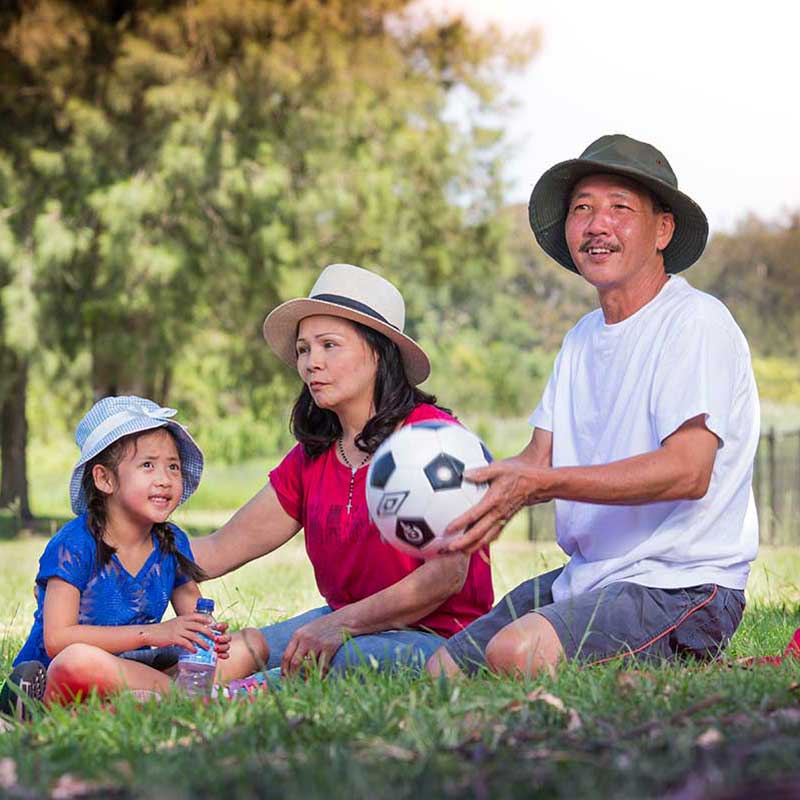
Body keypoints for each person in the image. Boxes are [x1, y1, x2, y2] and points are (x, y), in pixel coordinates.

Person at [427, 134, 760, 678]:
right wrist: (456, 495)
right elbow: (538, 460)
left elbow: (688, 471)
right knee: (444, 668)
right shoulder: (581, 338)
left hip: (683, 585)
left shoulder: (696, 322)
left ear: (662, 229)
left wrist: (543, 485)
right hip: (588, 576)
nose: (596, 224)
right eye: (582, 208)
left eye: (619, 208)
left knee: (516, 654)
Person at [191, 263, 493, 677]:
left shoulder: (431, 441)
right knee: (234, 652)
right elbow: (219, 550)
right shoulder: (312, 457)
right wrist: (121, 547)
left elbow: (446, 576)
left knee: (335, 662)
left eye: (329, 345)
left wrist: (337, 625)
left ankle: (244, 696)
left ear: (379, 352)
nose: (311, 363)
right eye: (303, 349)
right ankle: (142, 690)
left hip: (437, 638)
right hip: (343, 621)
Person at [1, 396, 267, 716]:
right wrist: (155, 633)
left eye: (173, 466)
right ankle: (190, 700)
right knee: (77, 660)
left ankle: (134, 703)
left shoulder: (170, 542)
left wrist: (208, 639)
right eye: (147, 465)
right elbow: (58, 639)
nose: (165, 478)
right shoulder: (74, 544)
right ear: (105, 479)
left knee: (251, 644)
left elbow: (196, 616)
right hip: (65, 671)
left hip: (135, 666)